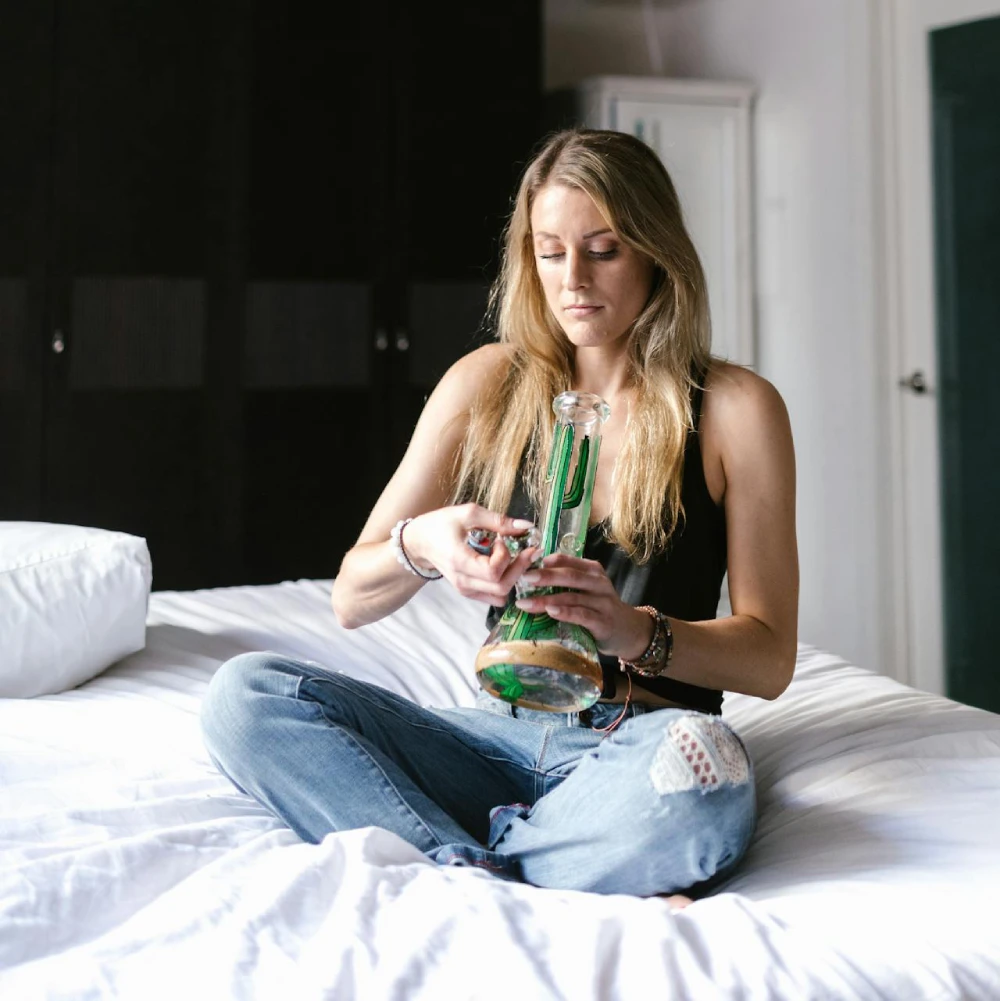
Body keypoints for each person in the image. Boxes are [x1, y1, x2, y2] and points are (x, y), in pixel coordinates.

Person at [200, 128, 798, 906]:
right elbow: (351, 595)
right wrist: (424, 545)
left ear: (655, 250)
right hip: (491, 733)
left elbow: (768, 657)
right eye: (551, 251)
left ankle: (463, 867)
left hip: (639, 741)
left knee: (708, 771)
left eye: (603, 248)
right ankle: (526, 869)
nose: (573, 279)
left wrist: (627, 630)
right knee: (245, 698)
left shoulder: (734, 409)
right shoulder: (487, 383)